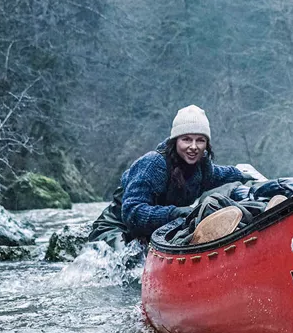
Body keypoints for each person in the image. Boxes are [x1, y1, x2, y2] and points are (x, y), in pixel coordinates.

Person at [88, 105, 258, 246]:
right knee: (128, 264)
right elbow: (133, 213)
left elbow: (219, 174)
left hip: (155, 232)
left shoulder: (202, 166)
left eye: (200, 140)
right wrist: (177, 213)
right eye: (186, 139)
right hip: (116, 229)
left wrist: (243, 174)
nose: (194, 147)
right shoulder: (153, 163)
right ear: (175, 141)